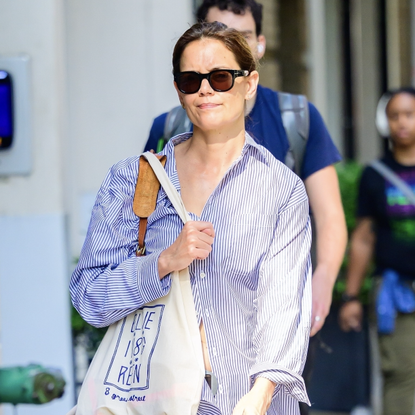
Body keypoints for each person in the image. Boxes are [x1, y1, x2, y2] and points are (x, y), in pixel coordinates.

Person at [71, 21, 312, 415]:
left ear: (249, 84)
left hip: (245, 403)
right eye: (190, 79)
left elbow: (284, 309)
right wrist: (163, 262)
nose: (205, 90)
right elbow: (89, 300)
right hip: (150, 402)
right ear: (178, 90)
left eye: (220, 77)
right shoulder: (132, 180)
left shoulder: (280, 189)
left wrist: (263, 392)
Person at [145, 0, 347, 339]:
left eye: (240, 36)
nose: (228, 47)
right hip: (186, 318)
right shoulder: (167, 128)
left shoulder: (297, 119)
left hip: (279, 308)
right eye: (218, 34)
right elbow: (143, 227)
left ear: (259, 45)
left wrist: (321, 284)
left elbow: (329, 215)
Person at [339, 87, 415, 415]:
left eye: (409, 114)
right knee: (400, 374)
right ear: (385, 121)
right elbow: (363, 238)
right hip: (395, 293)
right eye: (394, 115)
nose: (402, 122)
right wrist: (352, 296)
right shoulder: (374, 176)